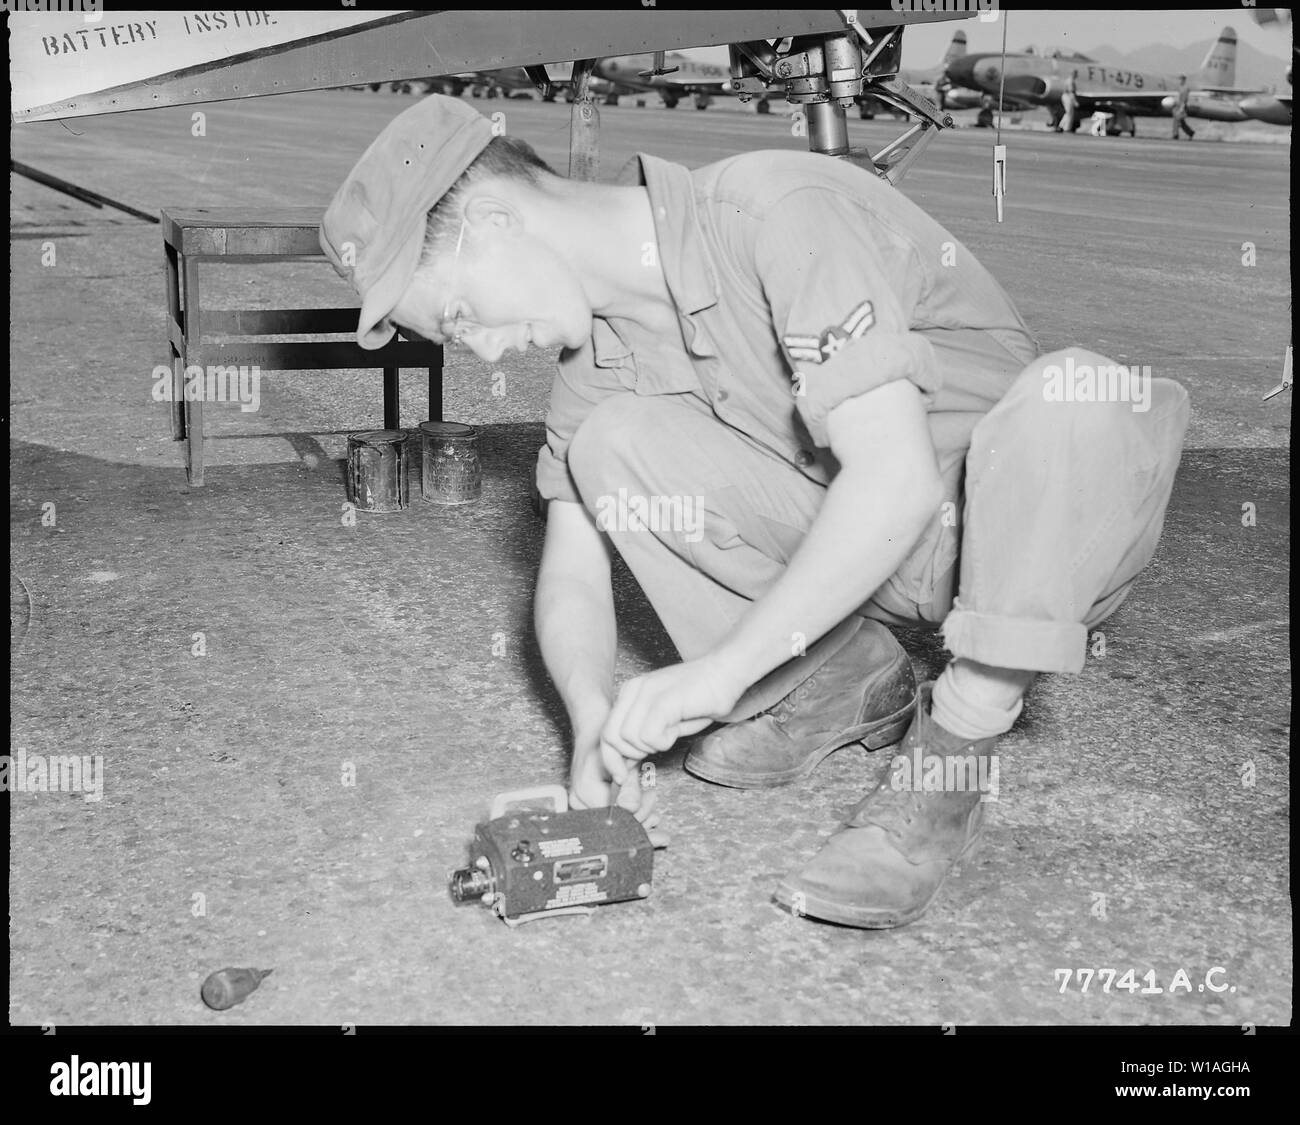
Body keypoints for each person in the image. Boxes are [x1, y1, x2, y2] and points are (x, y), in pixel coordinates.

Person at [320, 96, 1190, 929]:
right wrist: (591, 715)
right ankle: (838, 675)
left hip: (1024, 535)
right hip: (872, 565)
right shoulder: (597, 362)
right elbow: (572, 570)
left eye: (460, 315)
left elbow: (898, 478)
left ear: (495, 218)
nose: (480, 349)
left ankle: (953, 753)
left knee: (1082, 395)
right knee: (609, 446)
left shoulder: (778, 211)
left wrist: (722, 672)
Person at [1171, 75, 1196, 139]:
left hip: (1181, 106)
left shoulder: (1185, 88)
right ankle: (1190, 132)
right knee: (1181, 122)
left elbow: (1184, 99)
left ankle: (1175, 135)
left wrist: (1182, 107)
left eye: (1181, 79)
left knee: (1177, 120)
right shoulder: (1179, 87)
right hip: (1176, 106)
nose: (1179, 81)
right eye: (1179, 79)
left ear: (1184, 80)